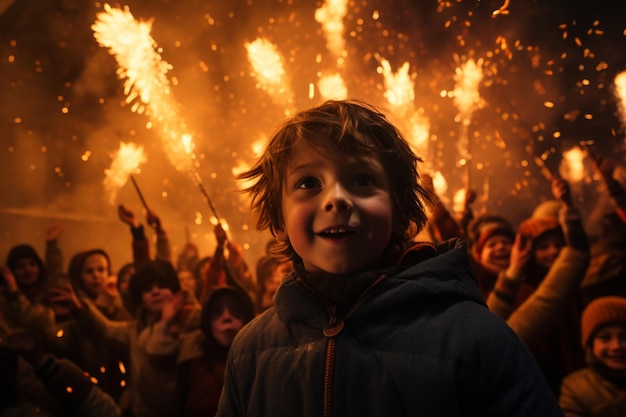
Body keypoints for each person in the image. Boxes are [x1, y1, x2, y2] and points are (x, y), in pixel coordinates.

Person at [216, 99, 563, 416]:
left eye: (362, 179)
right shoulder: (251, 350)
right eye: (308, 183)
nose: (336, 199)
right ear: (278, 219)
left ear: (400, 210)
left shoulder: (478, 339)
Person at [144, 286, 255, 417]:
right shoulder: (193, 364)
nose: (227, 317)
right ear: (207, 322)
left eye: (236, 310)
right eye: (217, 312)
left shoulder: (257, 362)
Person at [559, 296, 626, 417]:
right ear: (590, 345)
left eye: (624, 337)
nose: (616, 346)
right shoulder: (576, 387)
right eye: (605, 338)